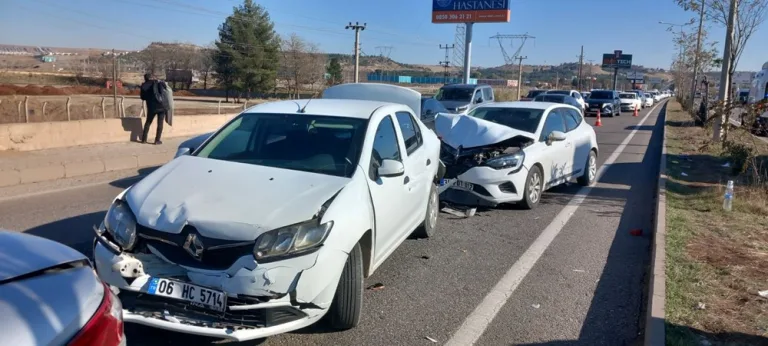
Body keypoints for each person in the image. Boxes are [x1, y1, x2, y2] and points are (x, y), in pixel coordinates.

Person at [139, 73, 166, 145]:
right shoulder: (157, 83)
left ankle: (144, 139)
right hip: (161, 106)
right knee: (160, 124)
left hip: (151, 107)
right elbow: (164, 90)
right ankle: (157, 140)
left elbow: (142, 97)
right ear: (151, 77)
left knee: (148, 122)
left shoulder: (143, 86)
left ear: (145, 78)